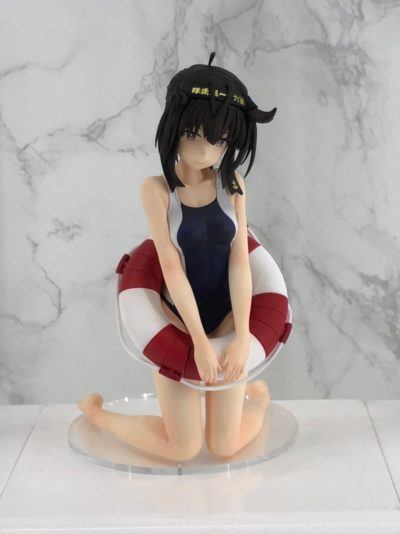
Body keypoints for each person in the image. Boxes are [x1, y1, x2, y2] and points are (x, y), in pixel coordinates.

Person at [78, 52, 277, 462]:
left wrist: (241, 335)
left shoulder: (234, 184)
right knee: (182, 448)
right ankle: (98, 416)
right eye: (194, 134)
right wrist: (199, 343)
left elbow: (240, 260)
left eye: (220, 139)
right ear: (175, 127)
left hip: (227, 315)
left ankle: (258, 401)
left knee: (224, 445)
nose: (205, 150)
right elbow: (170, 265)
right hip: (178, 319)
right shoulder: (157, 191)